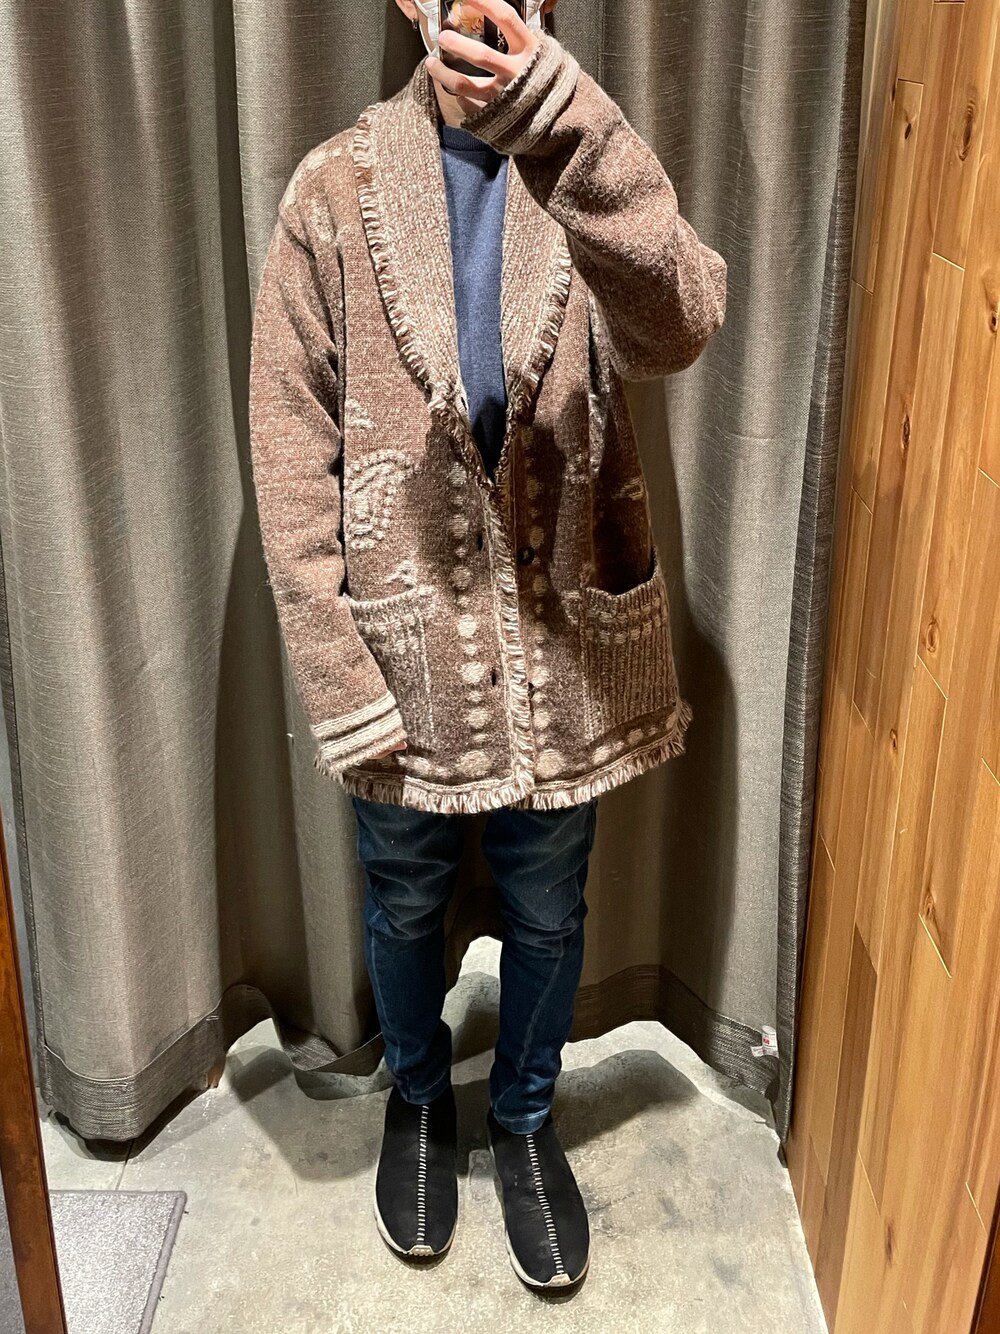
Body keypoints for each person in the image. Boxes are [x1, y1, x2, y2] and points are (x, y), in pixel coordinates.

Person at [248, 0, 727, 1293]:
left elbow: (682, 321)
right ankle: (418, 1099)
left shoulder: (582, 161)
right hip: (402, 668)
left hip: (563, 658)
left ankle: (522, 1117)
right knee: (403, 900)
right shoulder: (333, 194)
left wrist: (567, 130)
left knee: (549, 909)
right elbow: (291, 465)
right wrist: (339, 676)